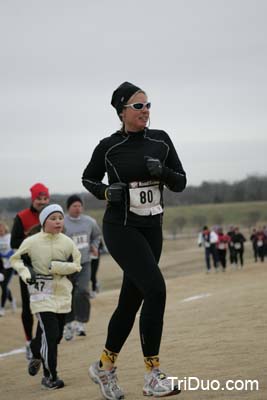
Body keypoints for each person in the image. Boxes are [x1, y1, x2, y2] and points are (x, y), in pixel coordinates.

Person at [82, 81, 186, 399]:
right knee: (155, 289)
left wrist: (163, 173)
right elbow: (88, 177)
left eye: (148, 105)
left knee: (131, 301)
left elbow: (180, 182)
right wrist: (104, 192)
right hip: (121, 227)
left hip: (152, 228)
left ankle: (103, 367)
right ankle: (152, 375)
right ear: (122, 111)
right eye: (138, 106)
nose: (146, 111)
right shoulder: (109, 147)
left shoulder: (161, 141)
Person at [10, 204, 81, 390]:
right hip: (41, 295)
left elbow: (77, 264)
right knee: (50, 335)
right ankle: (50, 377)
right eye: (53, 218)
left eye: (60, 218)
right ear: (44, 222)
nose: (58, 221)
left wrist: (57, 267)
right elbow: (15, 259)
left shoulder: (67, 242)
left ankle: (36, 351)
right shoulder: (32, 242)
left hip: (62, 294)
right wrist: (27, 274)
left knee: (55, 336)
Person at [10, 182, 50, 359]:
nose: (42, 201)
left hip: (47, 268)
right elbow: (13, 243)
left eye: (45, 198)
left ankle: (40, 341)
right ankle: (28, 342)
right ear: (33, 199)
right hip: (27, 268)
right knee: (28, 307)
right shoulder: (21, 217)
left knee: (47, 305)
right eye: (39, 198)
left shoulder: (51, 216)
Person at [63, 194, 101, 339]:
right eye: (74, 206)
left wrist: (94, 245)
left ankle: (81, 323)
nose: (78, 208)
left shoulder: (89, 222)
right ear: (68, 208)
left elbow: (97, 236)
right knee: (68, 294)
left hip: (84, 263)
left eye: (80, 206)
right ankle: (67, 325)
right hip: (66, 265)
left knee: (83, 291)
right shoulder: (62, 223)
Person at [0, 221, 15, 316]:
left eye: (1, 229)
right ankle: (12, 300)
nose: (0, 231)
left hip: (10, 266)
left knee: (4, 286)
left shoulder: (10, 237)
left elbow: (13, 252)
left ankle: (1, 308)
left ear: (5, 228)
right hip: (1, 267)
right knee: (3, 286)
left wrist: (3, 254)